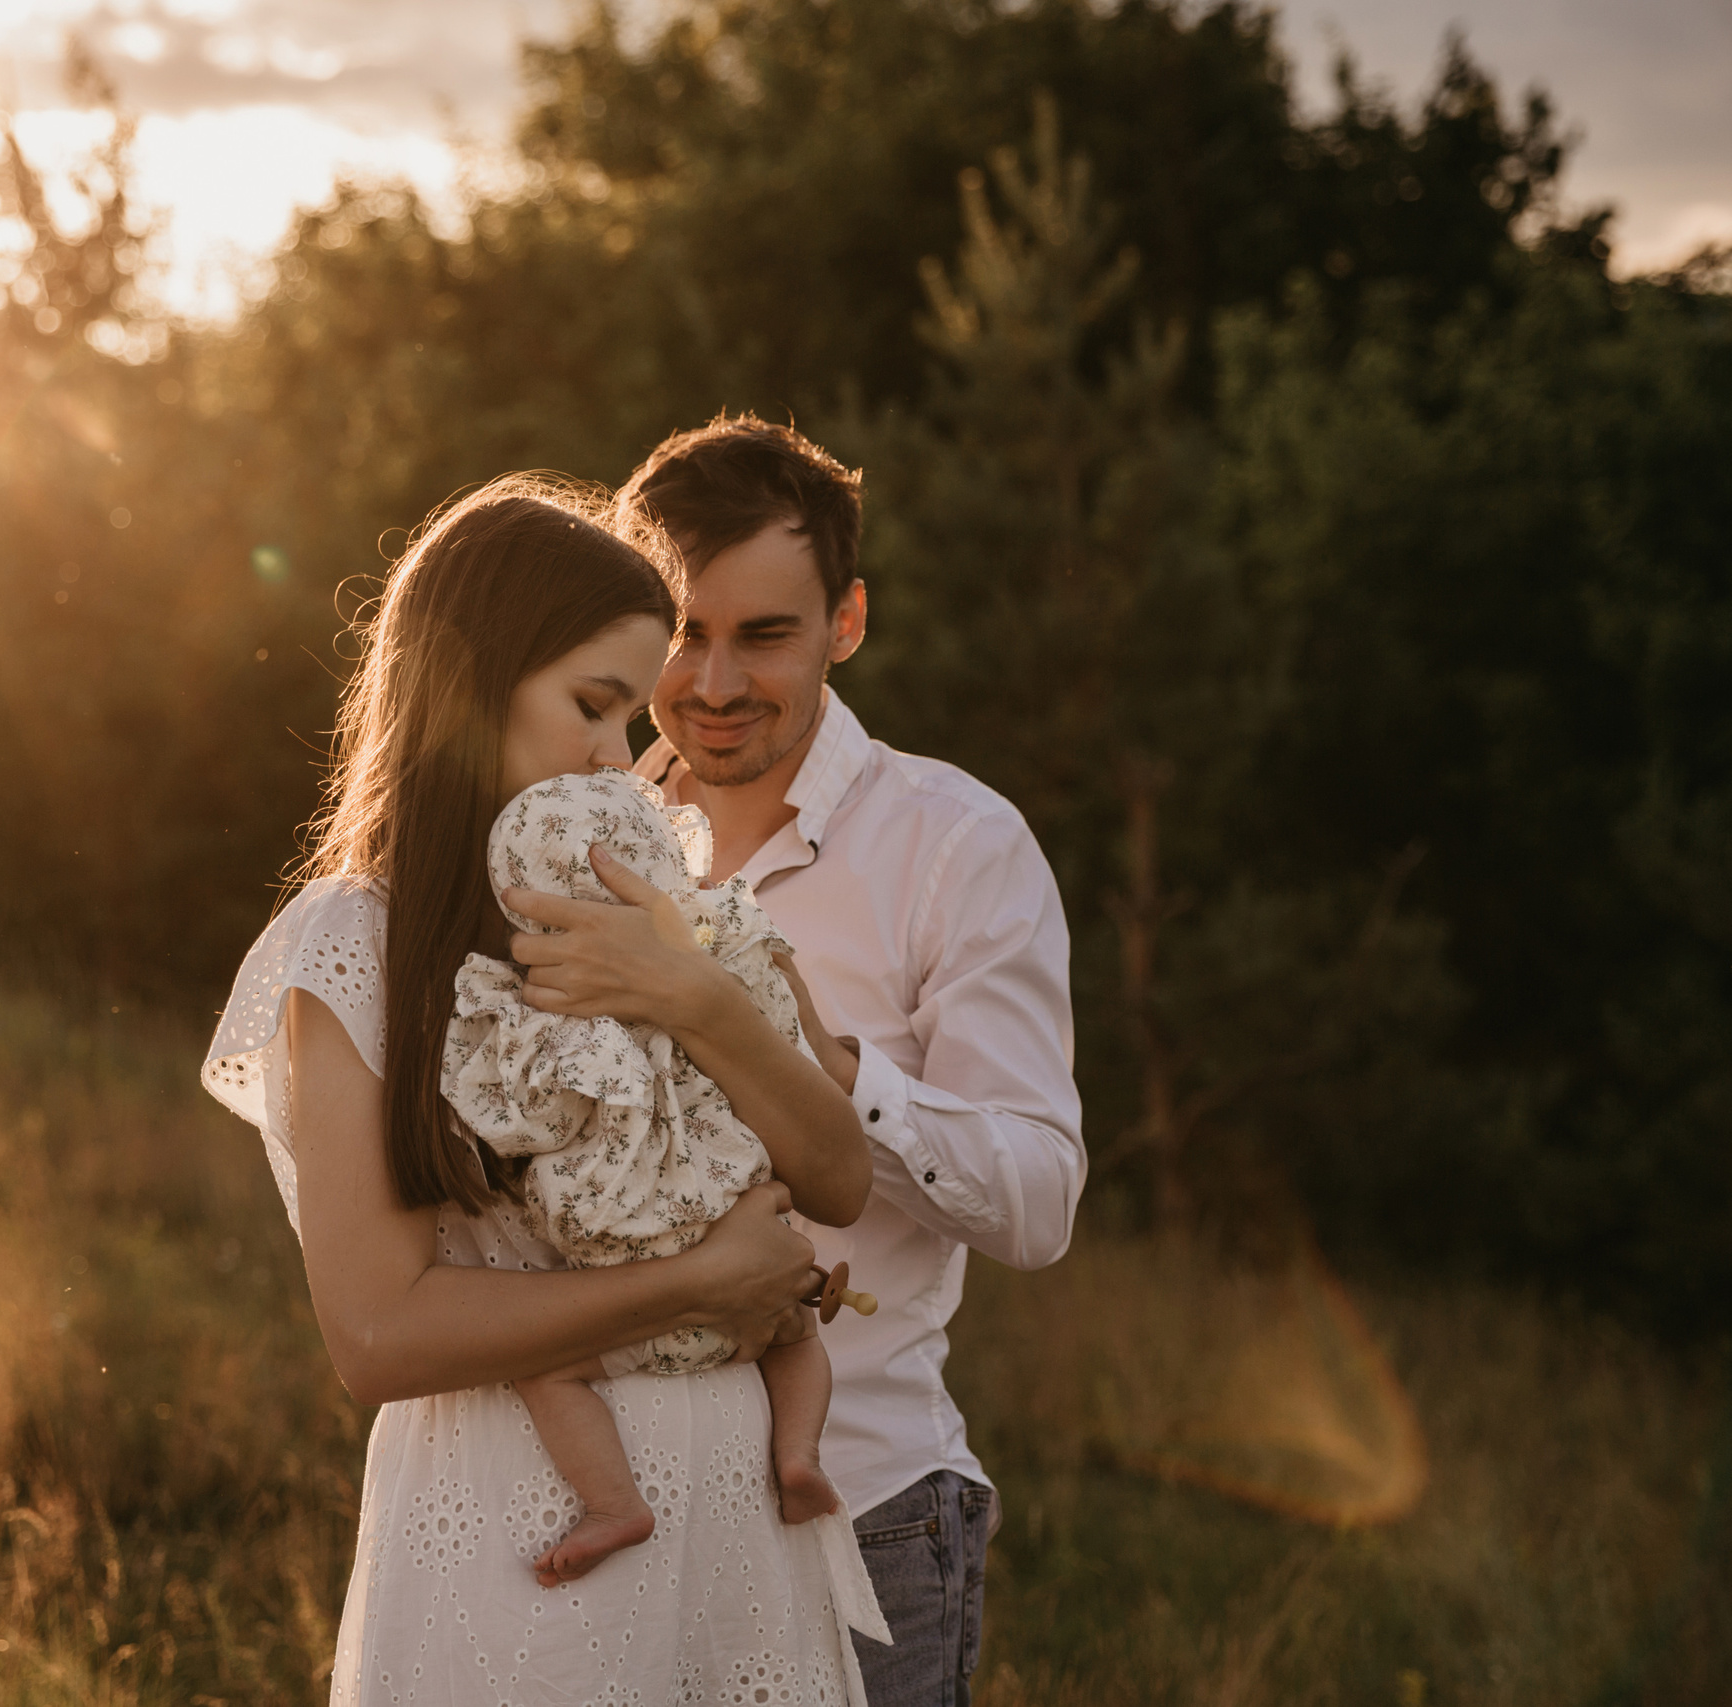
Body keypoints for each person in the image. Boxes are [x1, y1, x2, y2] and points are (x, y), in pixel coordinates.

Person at [202, 476, 891, 1704]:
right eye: (591, 705)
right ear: (471, 683)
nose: (616, 759)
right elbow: (374, 1332)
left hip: (735, 1516)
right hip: (515, 1533)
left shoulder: (665, 912)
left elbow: (838, 1176)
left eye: (632, 721)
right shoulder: (358, 940)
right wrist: (696, 1282)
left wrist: (696, 997)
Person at [502, 419, 1087, 1706]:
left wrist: (831, 1067)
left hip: (862, 1513)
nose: (711, 684)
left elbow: (1040, 1202)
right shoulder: (576, 819)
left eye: (763, 635)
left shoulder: (957, 845)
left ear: (848, 621)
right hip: (612, 1511)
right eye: (680, 635)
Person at [442, 768, 848, 1590]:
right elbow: (816, 1090)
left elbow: (535, 1127)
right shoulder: (725, 955)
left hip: (635, 1284)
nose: (615, 746)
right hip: (761, 1278)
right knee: (802, 1341)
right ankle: (799, 1454)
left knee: (548, 1368)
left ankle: (613, 1500)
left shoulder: (554, 1016)